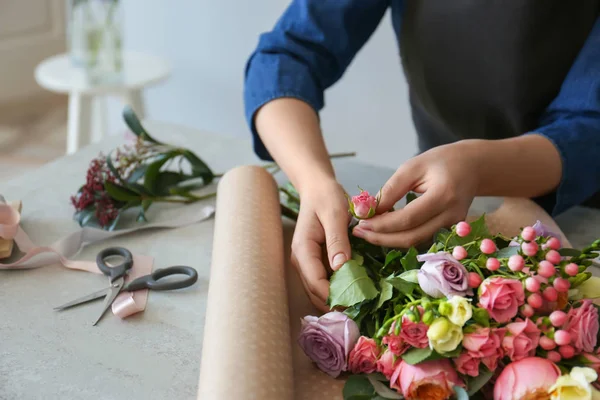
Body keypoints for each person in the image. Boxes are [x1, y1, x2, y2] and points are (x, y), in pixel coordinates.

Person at [243, 1, 600, 312]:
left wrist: (478, 166)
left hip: (584, 212)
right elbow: (287, 57)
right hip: (432, 205)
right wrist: (314, 182)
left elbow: (590, 126)